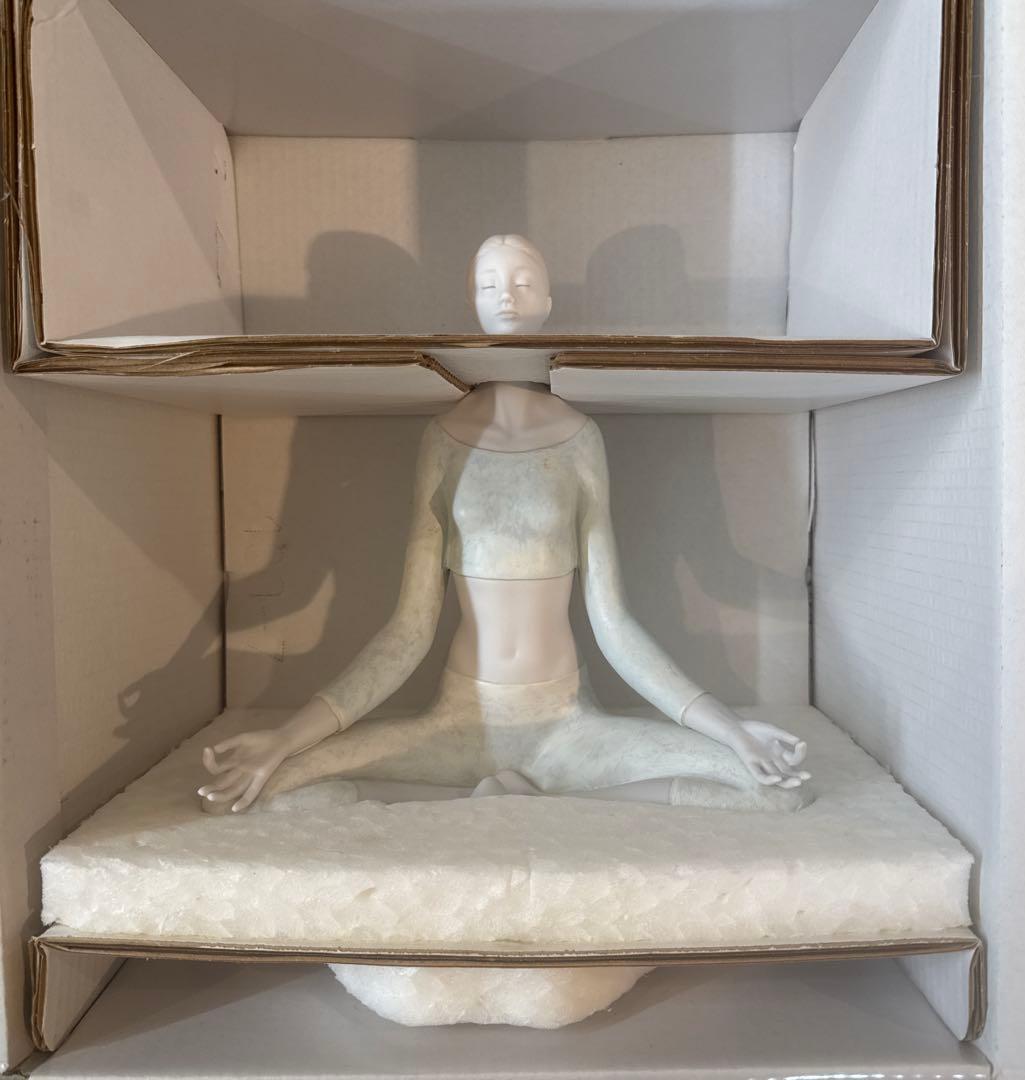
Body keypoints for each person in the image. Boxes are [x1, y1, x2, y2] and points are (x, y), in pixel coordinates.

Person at [198, 236, 811, 815]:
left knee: (772, 792)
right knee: (252, 790)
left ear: (548, 301)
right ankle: (493, 797)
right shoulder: (443, 440)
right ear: (472, 301)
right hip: (461, 723)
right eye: (489, 285)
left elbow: (614, 625)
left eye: (523, 282)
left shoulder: (579, 439)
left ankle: (527, 802)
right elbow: (408, 632)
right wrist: (285, 739)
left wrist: (732, 731)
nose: (507, 297)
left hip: (567, 725)